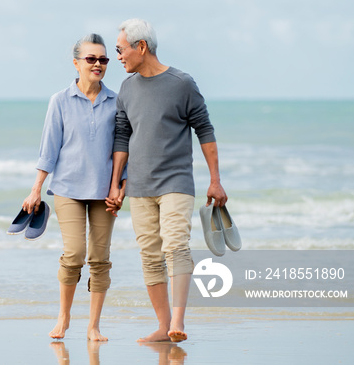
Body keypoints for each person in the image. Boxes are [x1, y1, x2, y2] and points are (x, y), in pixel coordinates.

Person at [106, 18, 227, 343]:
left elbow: (205, 129)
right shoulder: (127, 89)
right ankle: (163, 326)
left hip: (176, 182)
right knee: (149, 254)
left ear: (141, 47)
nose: (118, 57)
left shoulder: (181, 83)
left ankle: (178, 321)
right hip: (140, 186)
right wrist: (117, 184)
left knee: (175, 246)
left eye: (120, 50)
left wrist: (215, 180)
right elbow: (121, 137)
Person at [22, 33, 125, 341]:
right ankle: (64, 317)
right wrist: (36, 188)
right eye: (91, 59)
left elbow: (124, 146)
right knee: (75, 254)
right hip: (67, 188)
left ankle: (93, 326)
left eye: (103, 59)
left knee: (100, 258)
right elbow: (49, 149)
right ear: (77, 63)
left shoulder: (117, 101)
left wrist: (121, 186)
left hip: (104, 192)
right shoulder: (60, 101)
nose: (98, 64)